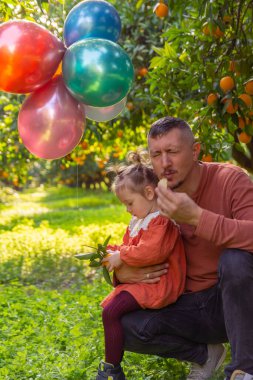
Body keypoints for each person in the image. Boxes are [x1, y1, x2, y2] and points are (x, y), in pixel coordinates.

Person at [113, 116, 253, 380]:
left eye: (173, 152)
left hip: (234, 301)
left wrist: (197, 217)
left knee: (235, 260)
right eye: (156, 154)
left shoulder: (230, 180)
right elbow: (135, 246)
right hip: (187, 304)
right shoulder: (153, 194)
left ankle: (245, 369)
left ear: (195, 150)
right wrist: (121, 274)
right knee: (123, 325)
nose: (165, 163)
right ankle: (204, 354)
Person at [96, 151, 186, 380]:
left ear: (148, 193)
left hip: (160, 283)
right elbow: (130, 246)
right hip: (147, 281)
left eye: (129, 203)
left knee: (112, 311)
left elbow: (150, 252)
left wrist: (121, 256)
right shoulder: (140, 220)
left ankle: (112, 370)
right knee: (111, 312)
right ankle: (112, 367)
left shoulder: (161, 221)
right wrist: (111, 250)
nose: (127, 209)